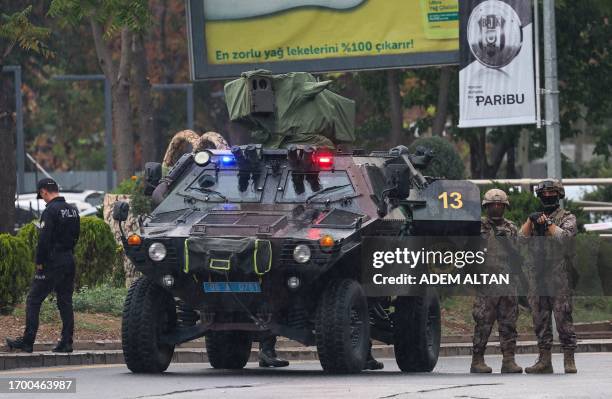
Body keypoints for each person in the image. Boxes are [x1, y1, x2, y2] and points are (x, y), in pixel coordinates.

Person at [6, 178, 80, 353]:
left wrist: (39, 262)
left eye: (42, 196)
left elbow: (44, 240)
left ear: (44, 191)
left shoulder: (50, 211)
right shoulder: (72, 211)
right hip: (69, 260)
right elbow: (76, 235)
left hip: (52, 262)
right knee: (65, 301)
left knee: (33, 300)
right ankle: (67, 342)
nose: (43, 199)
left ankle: (27, 341)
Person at [520, 179, 578, 374]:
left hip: (559, 277)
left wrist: (549, 224)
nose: (547, 196)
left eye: (551, 193)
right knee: (540, 320)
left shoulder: (567, 217)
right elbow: (519, 240)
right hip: (538, 277)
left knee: (563, 318)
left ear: (559, 195)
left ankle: (569, 359)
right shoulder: (537, 218)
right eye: (544, 194)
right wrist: (530, 220)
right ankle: (545, 360)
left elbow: (566, 239)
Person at [470, 189, 522, 374]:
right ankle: (477, 360)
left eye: (500, 205)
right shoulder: (477, 227)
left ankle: (509, 360)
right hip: (487, 283)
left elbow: (518, 255)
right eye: (493, 205)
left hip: (508, 283)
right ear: (486, 206)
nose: (497, 208)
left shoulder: (512, 227)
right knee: (483, 323)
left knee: (509, 323)